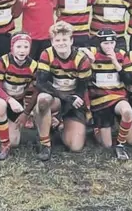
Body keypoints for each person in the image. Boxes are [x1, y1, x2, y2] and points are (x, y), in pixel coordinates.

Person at [31, 21, 92, 159]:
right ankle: (45, 143)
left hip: (74, 98)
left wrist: (63, 113)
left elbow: (82, 89)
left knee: (75, 147)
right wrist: (64, 98)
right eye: (57, 40)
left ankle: (57, 126)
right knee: (42, 100)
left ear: (71, 40)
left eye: (65, 39)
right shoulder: (47, 54)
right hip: (56, 97)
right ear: (52, 42)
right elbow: (41, 83)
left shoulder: (81, 59)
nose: (61, 43)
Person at [0, 31, 38, 160]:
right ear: (12, 47)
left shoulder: (33, 66)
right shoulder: (4, 61)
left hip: (18, 101)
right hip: (1, 96)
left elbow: (32, 89)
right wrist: (9, 100)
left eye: (26, 47)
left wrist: (27, 112)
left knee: (15, 142)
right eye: (18, 47)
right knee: (1, 105)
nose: (22, 51)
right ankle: (4, 145)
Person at [89, 29, 132, 160]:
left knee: (131, 138)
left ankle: (120, 145)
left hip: (118, 98)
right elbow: (76, 49)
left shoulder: (121, 54)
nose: (109, 47)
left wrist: (116, 64)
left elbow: (130, 80)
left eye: (112, 43)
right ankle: (97, 127)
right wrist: (87, 55)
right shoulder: (93, 53)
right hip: (99, 103)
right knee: (106, 144)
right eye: (105, 44)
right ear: (99, 44)